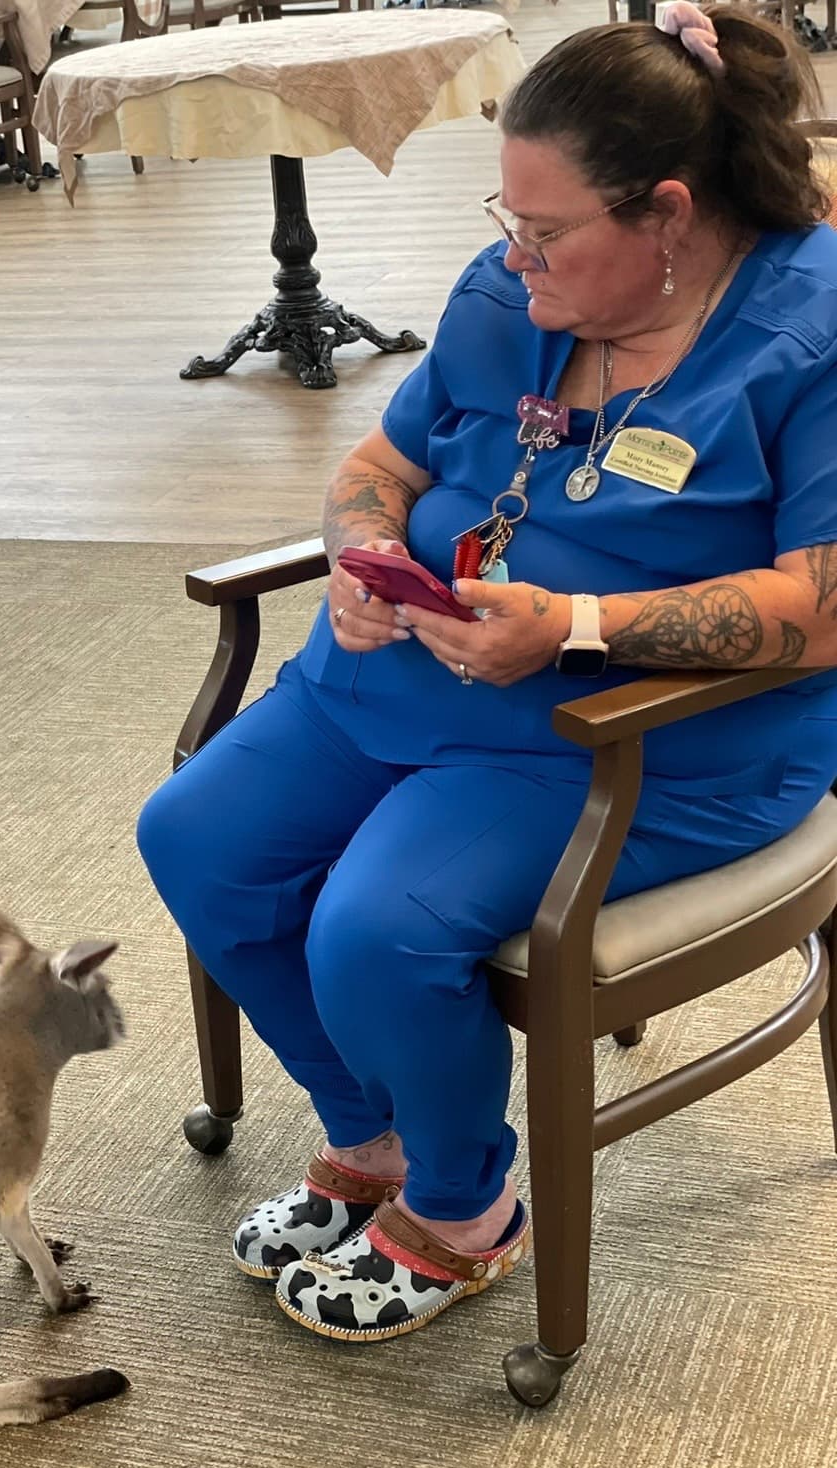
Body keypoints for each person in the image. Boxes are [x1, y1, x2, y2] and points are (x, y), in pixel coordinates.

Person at [138, 4, 837, 1344]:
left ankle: (467, 1208)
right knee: (199, 838)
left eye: (549, 230)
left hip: (632, 730)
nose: (514, 258)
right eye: (506, 218)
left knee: (372, 928)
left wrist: (574, 622)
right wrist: (358, 554)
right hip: (421, 665)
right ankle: (382, 1131)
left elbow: (818, 610)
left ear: (671, 215)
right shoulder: (506, 289)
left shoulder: (812, 330)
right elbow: (380, 473)